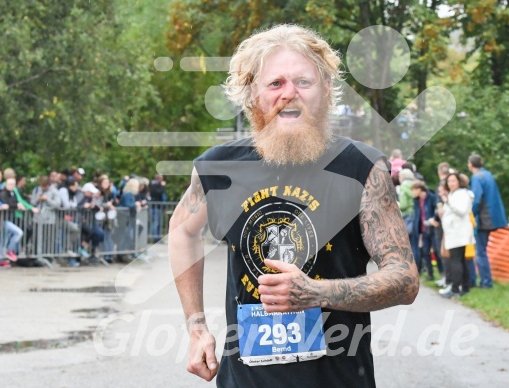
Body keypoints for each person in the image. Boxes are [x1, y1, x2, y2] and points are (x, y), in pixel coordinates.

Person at [169, 25, 418, 387]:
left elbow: (405, 279)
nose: (290, 94)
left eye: (304, 81)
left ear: (327, 89)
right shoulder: (219, 168)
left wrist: (317, 293)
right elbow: (181, 231)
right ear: (252, 94)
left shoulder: (361, 167)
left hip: (339, 379)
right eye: (275, 83)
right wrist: (196, 326)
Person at [468, 154, 507, 288]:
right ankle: (486, 280)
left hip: (483, 219)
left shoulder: (477, 177)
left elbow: (476, 199)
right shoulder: (488, 175)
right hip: (493, 218)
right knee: (482, 250)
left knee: (480, 252)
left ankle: (486, 282)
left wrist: (471, 214)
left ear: (470, 165)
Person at [439, 172, 475, 298]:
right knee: (461, 261)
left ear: (459, 181)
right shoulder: (452, 194)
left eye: (453, 181)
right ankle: (465, 287)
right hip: (453, 232)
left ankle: (455, 288)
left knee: (456, 261)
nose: (451, 183)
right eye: (449, 181)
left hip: (459, 232)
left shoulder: (463, 194)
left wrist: (447, 201)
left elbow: (461, 211)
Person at [411, 180, 442, 281]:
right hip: (423, 230)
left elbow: (436, 211)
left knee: (437, 251)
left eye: (413, 190)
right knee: (425, 252)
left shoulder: (431, 197)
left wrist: (434, 220)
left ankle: (442, 273)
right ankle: (430, 274)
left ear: (419, 189)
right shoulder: (416, 201)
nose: (412, 193)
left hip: (433, 228)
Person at [149, 174, 167, 241]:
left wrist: (164, 208)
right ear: (158, 179)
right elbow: (158, 193)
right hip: (155, 207)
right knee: (155, 222)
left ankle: (158, 237)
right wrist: (162, 186)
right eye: (161, 178)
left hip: (160, 207)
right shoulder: (154, 185)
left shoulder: (159, 185)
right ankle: (155, 238)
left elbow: (163, 197)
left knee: (159, 222)